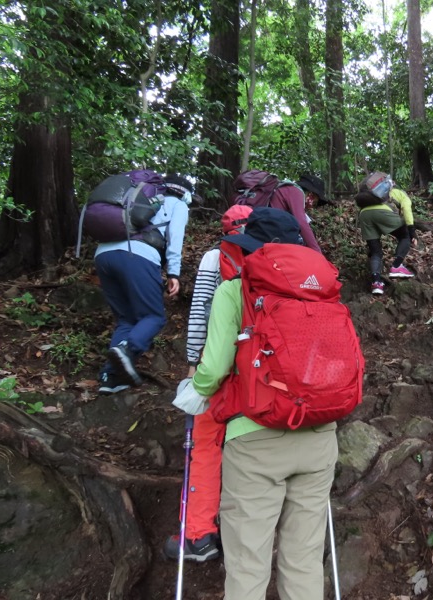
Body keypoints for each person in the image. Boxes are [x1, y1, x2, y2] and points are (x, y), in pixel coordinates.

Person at [172, 207, 338, 600]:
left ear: (254, 248)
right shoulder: (323, 292)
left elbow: (213, 370)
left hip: (256, 437)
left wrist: (193, 387)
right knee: (304, 560)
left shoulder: (236, 289)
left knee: (248, 564)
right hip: (318, 435)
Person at [162, 204, 252, 562]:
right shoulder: (272, 256)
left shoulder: (215, 257)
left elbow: (201, 309)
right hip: (261, 373)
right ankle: (246, 532)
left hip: (219, 366)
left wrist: (193, 363)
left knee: (205, 445)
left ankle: (199, 536)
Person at [96, 173, 192, 394]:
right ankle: (127, 350)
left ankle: (109, 379)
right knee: (154, 316)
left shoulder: (136, 198)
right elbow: (175, 239)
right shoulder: (177, 204)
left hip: (103, 254)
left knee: (126, 320)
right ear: (184, 193)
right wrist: (174, 273)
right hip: (137, 255)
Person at [355, 172, 417, 296]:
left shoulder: (372, 196)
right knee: (404, 236)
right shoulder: (401, 194)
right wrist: (412, 231)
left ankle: (376, 283)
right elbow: (406, 209)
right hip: (383, 213)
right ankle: (396, 266)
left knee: (375, 252)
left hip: (364, 214)